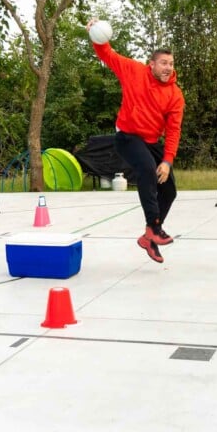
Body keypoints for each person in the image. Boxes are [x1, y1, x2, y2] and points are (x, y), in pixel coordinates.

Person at [88, 21, 185, 263]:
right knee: (146, 169)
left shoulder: (175, 95)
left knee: (169, 190)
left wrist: (167, 161)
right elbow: (107, 54)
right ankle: (154, 226)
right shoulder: (133, 71)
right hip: (127, 136)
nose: (167, 68)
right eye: (163, 63)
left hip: (151, 140)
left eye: (171, 64)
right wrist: (96, 35)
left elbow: (173, 130)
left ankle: (148, 238)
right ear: (151, 64)